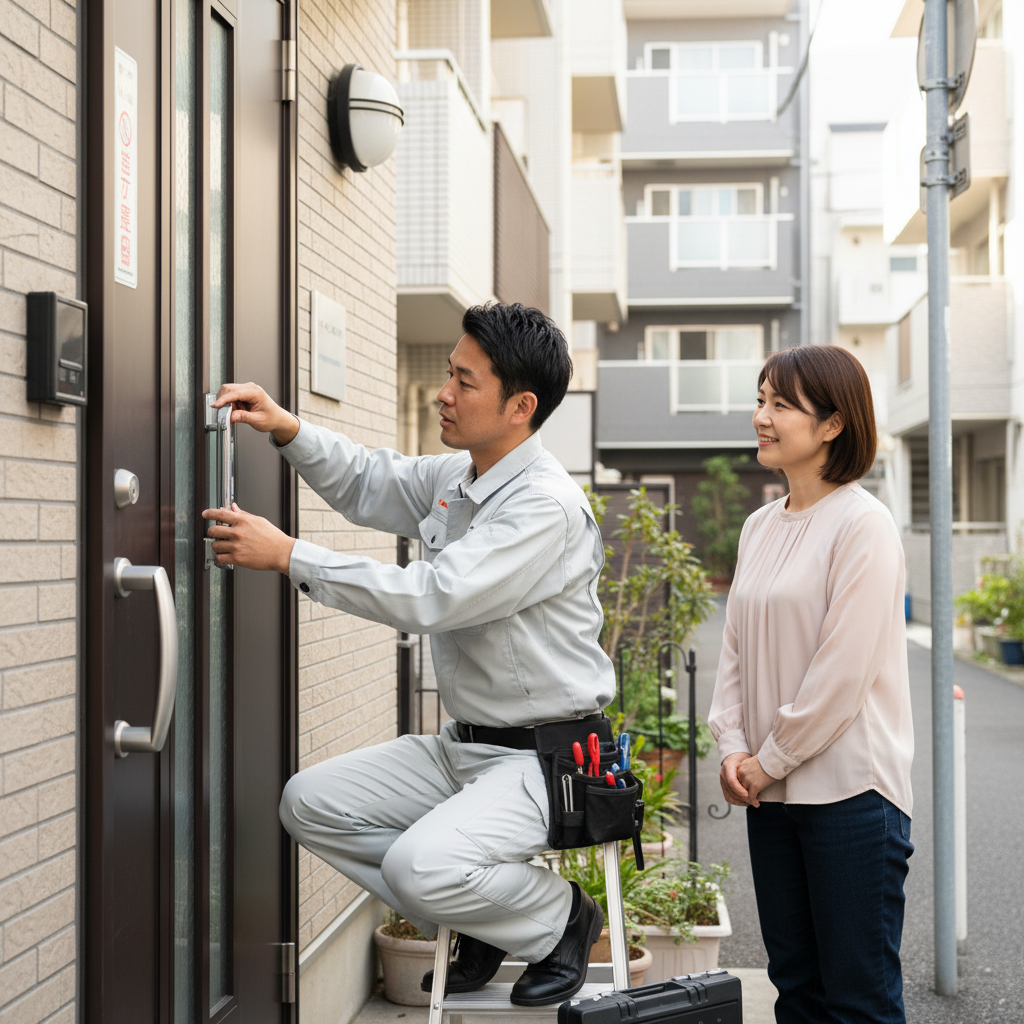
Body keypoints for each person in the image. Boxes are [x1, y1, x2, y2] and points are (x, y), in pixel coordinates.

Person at [201, 302, 614, 1006]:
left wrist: (290, 556)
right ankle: (482, 920)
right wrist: (287, 428)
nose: (443, 393)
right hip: (466, 750)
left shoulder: (542, 507)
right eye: (449, 374)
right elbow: (371, 480)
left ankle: (560, 921)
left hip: (545, 760)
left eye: (464, 381)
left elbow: (434, 597)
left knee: (420, 863)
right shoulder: (462, 478)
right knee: (311, 803)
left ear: (521, 406)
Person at [708, 345, 914, 1024]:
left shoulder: (864, 525)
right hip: (771, 793)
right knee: (796, 988)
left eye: (781, 404)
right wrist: (733, 748)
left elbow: (842, 675)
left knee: (858, 1000)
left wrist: (765, 761)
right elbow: (734, 650)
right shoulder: (759, 526)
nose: (762, 417)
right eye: (761, 399)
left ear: (832, 425)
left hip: (852, 797)